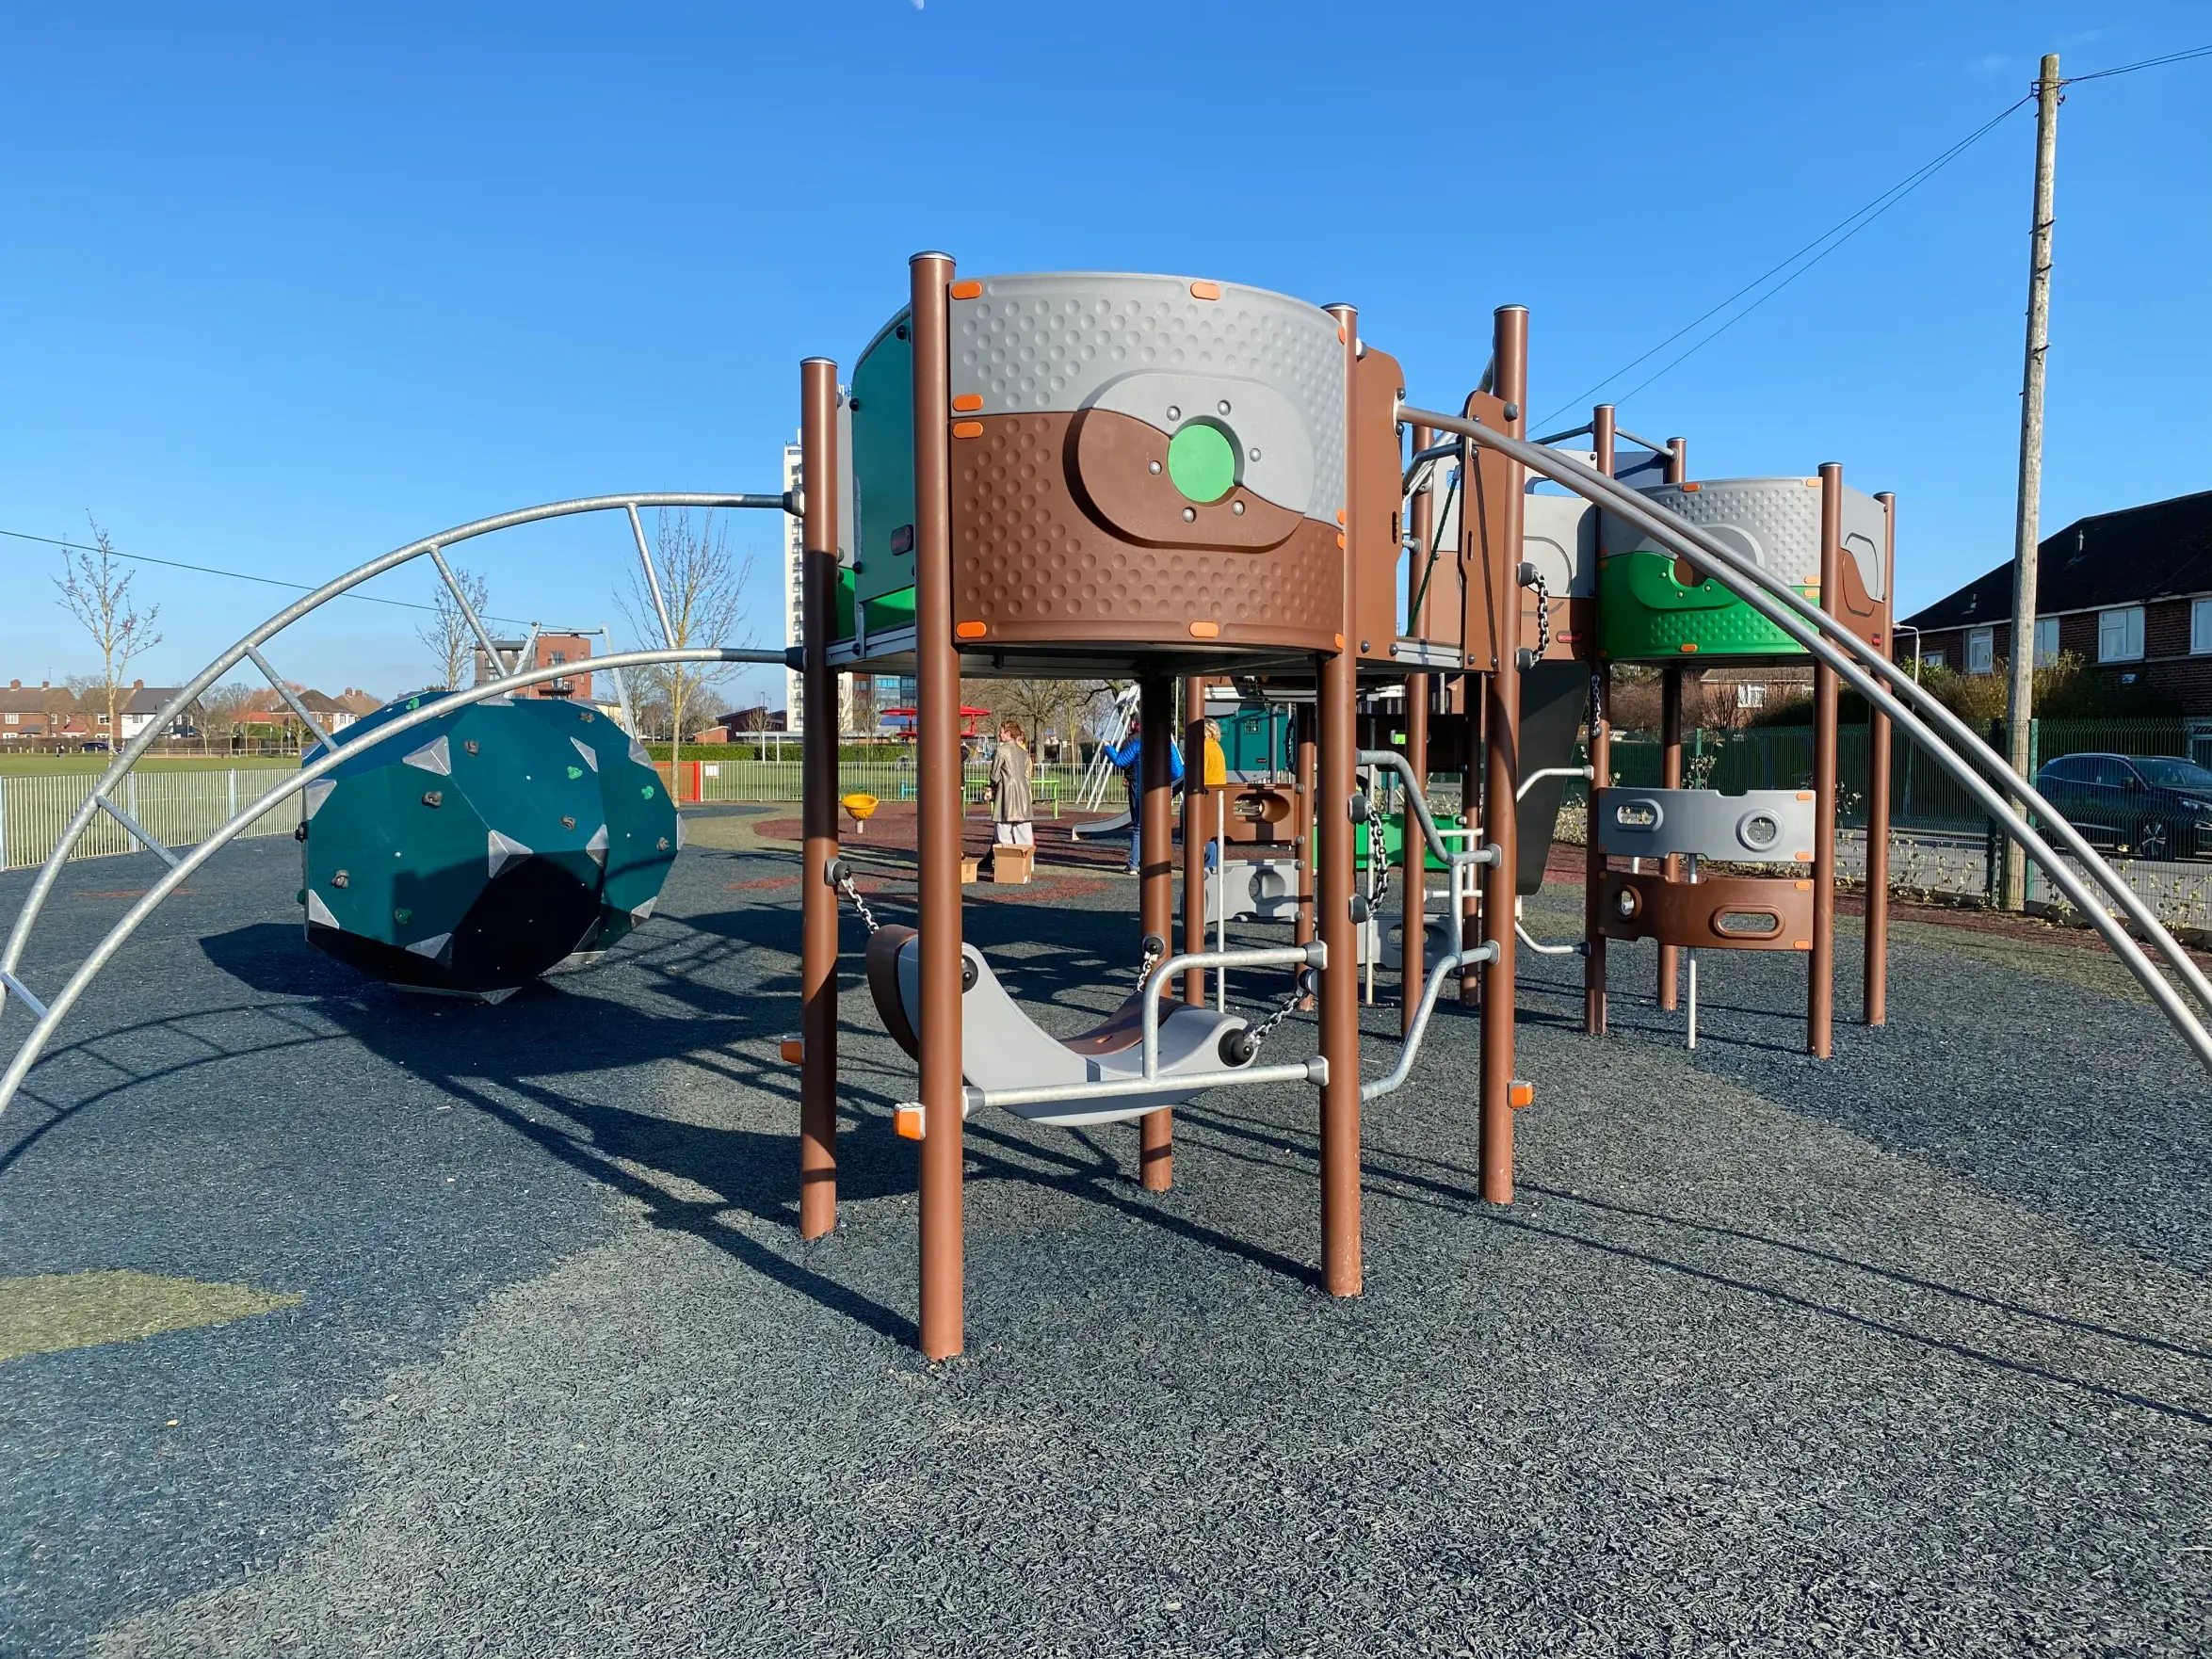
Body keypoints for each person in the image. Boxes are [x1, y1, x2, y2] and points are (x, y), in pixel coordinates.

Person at [1099, 725, 1182, 875]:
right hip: (1162, 793)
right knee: (1159, 828)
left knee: (1139, 827)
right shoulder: (1168, 746)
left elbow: (1120, 761)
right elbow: (1177, 772)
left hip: (1142, 792)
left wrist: (1108, 748)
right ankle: (1156, 861)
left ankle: (1133, 864)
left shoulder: (1138, 745)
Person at [989, 718, 1034, 856]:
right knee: (1025, 836)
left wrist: (991, 787)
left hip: (1005, 796)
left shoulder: (1000, 751)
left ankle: (1006, 866)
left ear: (1008, 733)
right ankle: (1026, 868)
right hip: (1023, 797)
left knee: (1003, 836)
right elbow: (1027, 778)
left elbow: (994, 777)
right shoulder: (1025, 754)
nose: (999, 734)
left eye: (1001, 732)